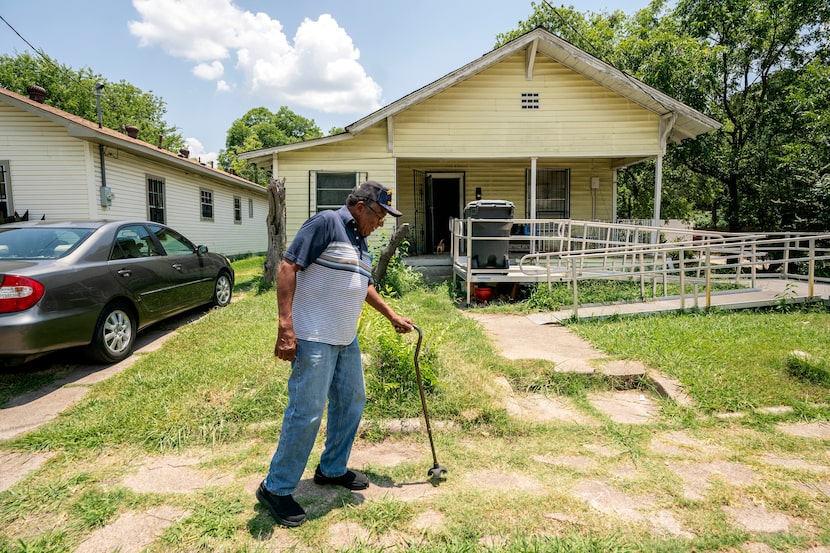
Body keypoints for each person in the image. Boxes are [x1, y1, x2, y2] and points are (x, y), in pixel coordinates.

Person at [257, 180, 414, 527]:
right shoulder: (326, 223)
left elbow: (363, 284)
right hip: (314, 336)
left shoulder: (360, 243)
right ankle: (276, 487)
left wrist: (391, 315)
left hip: (346, 339)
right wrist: (285, 327)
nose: (382, 222)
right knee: (307, 412)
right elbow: (287, 267)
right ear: (360, 207)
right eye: (380, 214)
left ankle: (331, 469)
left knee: (351, 402)